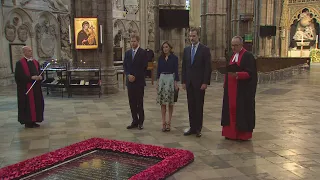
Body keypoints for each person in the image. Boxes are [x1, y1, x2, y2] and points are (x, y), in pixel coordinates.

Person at [221, 36, 258, 141]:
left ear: (241, 45)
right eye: (232, 45)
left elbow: (251, 73)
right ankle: (230, 133)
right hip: (231, 89)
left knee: (241, 111)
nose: (233, 47)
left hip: (242, 90)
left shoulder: (248, 56)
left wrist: (238, 74)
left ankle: (242, 134)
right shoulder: (232, 55)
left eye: (236, 45)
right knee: (230, 111)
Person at [182, 27, 212, 137]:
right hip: (189, 82)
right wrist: (183, 81)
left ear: (198, 36)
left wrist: (205, 82)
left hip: (199, 83)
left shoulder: (204, 50)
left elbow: (207, 67)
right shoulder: (186, 50)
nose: (192, 38)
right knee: (191, 105)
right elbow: (184, 67)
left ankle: (198, 128)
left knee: (199, 106)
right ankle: (192, 127)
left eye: (194, 36)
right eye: (190, 36)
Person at [14, 46, 44, 128]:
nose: (31, 52)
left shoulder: (35, 62)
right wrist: (31, 78)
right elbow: (18, 77)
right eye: (29, 51)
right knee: (28, 106)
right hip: (26, 88)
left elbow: (40, 72)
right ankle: (28, 122)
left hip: (36, 89)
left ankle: (35, 120)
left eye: (31, 51)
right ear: (24, 52)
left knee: (37, 104)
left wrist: (40, 77)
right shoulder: (20, 63)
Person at [123, 34, 148, 130]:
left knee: (139, 102)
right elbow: (125, 66)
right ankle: (134, 120)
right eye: (131, 41)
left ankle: (141, 122)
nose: (132, 43)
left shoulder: (143, 53)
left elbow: (144, 67)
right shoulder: (128, 53)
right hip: (130, 81)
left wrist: (135, 76)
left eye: (134, 41)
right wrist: (128, 74)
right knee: (132, 102)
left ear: (138, 42)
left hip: (139, 81)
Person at [156, 41, 179, 132]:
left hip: (170, 79)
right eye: (163, 47)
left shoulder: (174, 58)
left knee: (170, 102)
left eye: (166, 47)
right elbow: (158, 71)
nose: (165, 49)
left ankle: (169, 122)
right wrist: (157, 83)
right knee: (163, 103)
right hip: (162, 79)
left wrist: (176, 83)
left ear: (170, 48)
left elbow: (176, 71)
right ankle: (163, 123)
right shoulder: (160, 58)